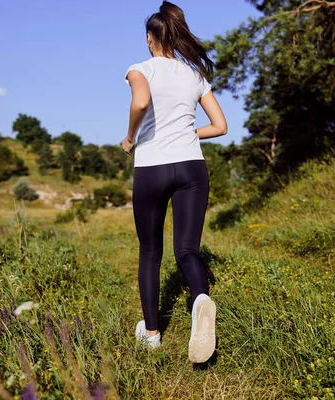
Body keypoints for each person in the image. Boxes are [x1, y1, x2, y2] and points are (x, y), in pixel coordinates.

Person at [121, 1, 228, 363]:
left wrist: (130, 136)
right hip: (191, 169)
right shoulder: (194, 75)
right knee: (188, 250)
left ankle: (151, 334)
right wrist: (187, 131)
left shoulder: (140, 69)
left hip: (152, 167)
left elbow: (139, 103)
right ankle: (200, 298)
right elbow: (220, 126)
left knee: (150, 253)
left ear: (151, 38)